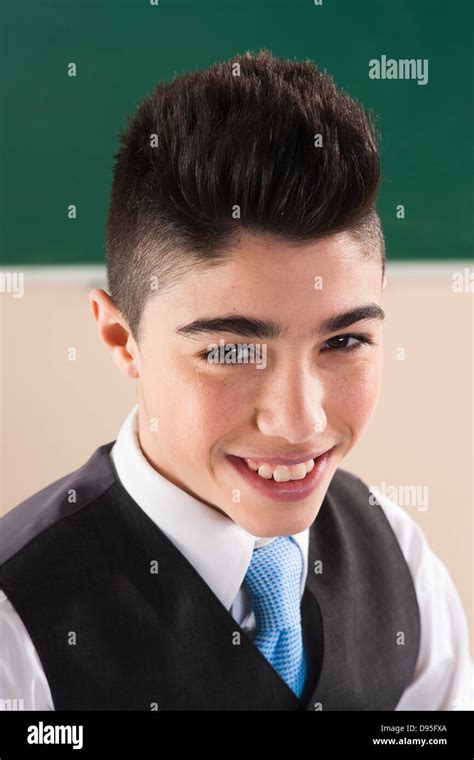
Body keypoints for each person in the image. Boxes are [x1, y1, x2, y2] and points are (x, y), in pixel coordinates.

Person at [0, 50, 472, 711]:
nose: (301, 421)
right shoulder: (15, 628)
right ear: (120, 339)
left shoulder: (401, 561)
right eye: (231, 352)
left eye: (343, 341)